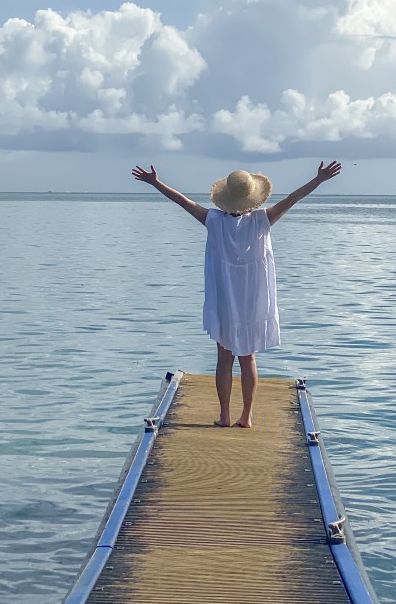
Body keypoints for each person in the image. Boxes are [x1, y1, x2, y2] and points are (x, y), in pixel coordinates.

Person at [131, 160, 341, 428]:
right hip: (253, 299)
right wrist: (319, 179)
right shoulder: (263, 219)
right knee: (248, 358)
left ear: (225, 198)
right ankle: (247, 416)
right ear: (252, 198)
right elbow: (292, 199)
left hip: (225, 299)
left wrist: (155, 182)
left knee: (224, 357)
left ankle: (225, 416)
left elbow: (183, 202)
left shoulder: (213, 220)